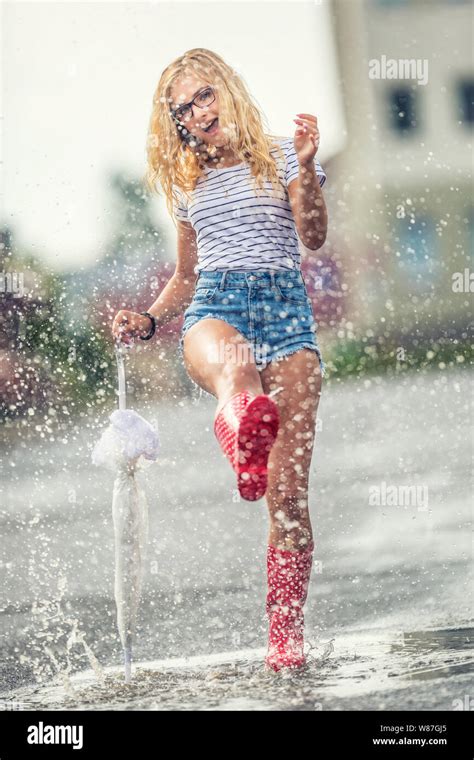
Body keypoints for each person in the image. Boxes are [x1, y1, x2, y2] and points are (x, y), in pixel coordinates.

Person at [112, 48, 328, 672]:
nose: (198, 112)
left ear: (228, 89)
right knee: (236, 371)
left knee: (288, 502)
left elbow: (312, 236)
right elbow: (185, 276)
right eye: (184, 109)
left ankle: (285, 641)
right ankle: (243, 436)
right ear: (176, 123)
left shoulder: (288, 155)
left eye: (205, 95)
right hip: (218, 307)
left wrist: (309, 170)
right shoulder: (186, 182)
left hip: (287, 318)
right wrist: (150, 318)